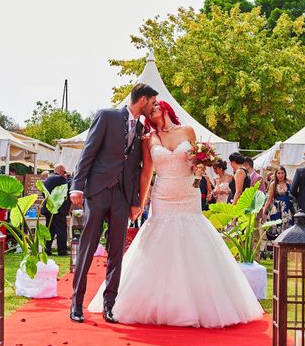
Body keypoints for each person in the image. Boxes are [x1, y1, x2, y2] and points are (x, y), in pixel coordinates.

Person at [88, 100, 263, 327]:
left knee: (194, 239)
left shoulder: (187, 131)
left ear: (166, 108)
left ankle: (202, 302)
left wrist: (200, 167)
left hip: (188, 193)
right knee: (159, 240)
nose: (152, 112)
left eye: (155, 108)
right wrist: (139, 203)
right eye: (149, 111)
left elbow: (198, 161)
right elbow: (146, 173)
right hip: (162, 195)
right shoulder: (148, 138)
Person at [69, 83, 158, 324]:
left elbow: (137, 167)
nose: (153, 107)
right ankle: (76, 304)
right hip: (97, 191)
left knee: (117, 252)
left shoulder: (141, 128)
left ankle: (110, 306)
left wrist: (135, 201)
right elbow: (88, 152)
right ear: (142, 100)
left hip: (121, 196)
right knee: (87, 249)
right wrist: (77, 185)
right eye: (152, 102)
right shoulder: (107, 116)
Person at [42, 163, 71, 256]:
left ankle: (47, 250)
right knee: (61, 230)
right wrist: (70, 178)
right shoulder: (60, 179)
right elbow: (68, 188)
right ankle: (62, 251)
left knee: (50, 230)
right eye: (64, 172)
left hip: (48, 208)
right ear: (61, 171)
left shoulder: (48, 179)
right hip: (58, 209)